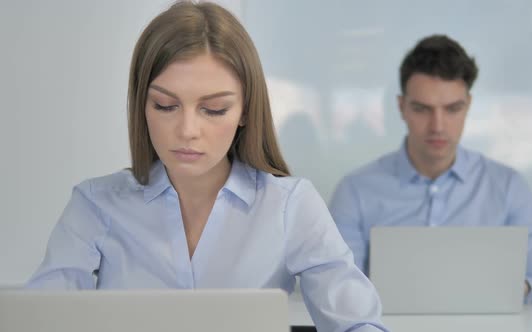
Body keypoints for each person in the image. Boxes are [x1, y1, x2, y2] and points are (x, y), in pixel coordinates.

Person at [27, 2, 387, 331]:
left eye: (214, 109)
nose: (187, 131)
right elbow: (37, 321)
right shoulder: (95, 204)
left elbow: (358, 323)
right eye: (165, 106)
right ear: (141, 104)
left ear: (246, 109)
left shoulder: (290, 205)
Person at [329, 34, 532, 303]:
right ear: (402, 107)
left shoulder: (508, 187)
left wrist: (507, 290)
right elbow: (341, 290)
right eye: (422, 109)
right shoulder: (355, 191)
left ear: (468, 106)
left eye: (452, 109)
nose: (437, 126)